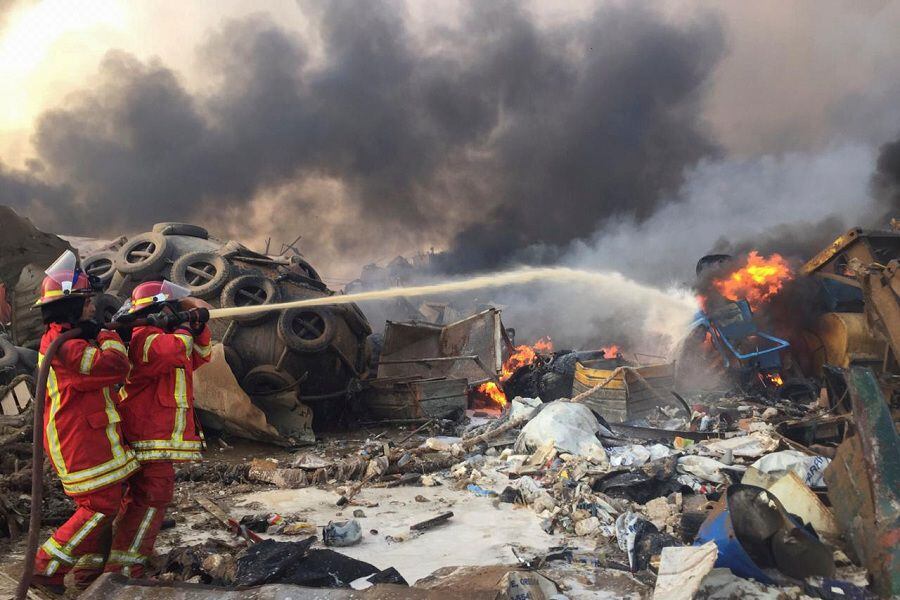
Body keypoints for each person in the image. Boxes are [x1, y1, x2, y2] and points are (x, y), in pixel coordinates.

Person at [31, 251, 138, 592]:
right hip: (78, 440)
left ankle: (89, 575)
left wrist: (97, 332)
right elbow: (115, 367)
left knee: (103, 505)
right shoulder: (65, 346)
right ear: (70, 306)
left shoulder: (69, 339)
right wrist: (108, 335)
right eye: (87, 302)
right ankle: (43, 567)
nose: (93, 308)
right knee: (98, 506)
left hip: (91, 437)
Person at [105, 280, 211, 577]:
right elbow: (171, 351)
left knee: (145, 498)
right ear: (159, 309)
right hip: (148, 435)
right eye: (172, 307)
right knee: (152, 497)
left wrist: (198, 326)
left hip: (158, 437)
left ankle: (128, 557)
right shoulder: (144, 337)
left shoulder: (169, 337)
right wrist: (185, 326)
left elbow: (201, 355)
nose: (176, 311)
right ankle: (126, 567)